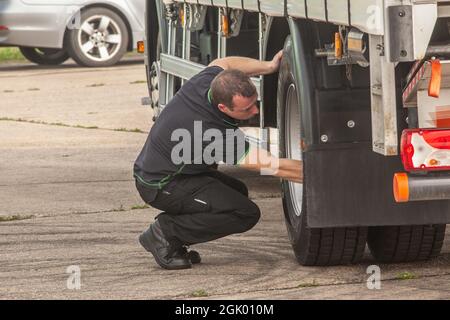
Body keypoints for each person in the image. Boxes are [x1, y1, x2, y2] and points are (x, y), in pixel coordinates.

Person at [134, 51, 302, 270]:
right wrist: (326, 175)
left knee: (237, 192)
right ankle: (165, 233)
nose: (256, 110)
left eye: (255, 103)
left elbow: (227, 63)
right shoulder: (210, 133)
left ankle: (173, 233)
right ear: (223, 108)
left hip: (174, 171)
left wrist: (269, 66)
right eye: (247, 109)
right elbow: (271, 165)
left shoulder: (208, 82)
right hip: (161, 184)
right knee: (244, 213)